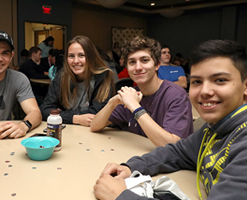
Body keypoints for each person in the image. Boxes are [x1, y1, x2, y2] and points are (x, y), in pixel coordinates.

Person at [94, 39, 247, 200]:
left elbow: (171, 142)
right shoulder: (214, 128)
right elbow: (179, 152)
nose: (205, 91)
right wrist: (131, 167)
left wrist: (121, 196)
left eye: (220, 80)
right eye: (196, 82)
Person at [90, 36, 193, 147]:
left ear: (157, 65)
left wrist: (135, 107)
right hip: (139, 157)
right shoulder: (132, 94)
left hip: (171, 162)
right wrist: (112, 102)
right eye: (132, 62)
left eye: (145, 60)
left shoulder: (176, 95)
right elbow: (94, 126)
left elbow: (171, 145)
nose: (138, 67)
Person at [40, 35, 114, 127]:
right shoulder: (62, 77)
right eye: (71, 56)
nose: (76, 61)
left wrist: (62, 114)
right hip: (68, 130)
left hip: (94, 132)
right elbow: (45, 110)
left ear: (91, 57)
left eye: (81, 55)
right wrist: (75, 118)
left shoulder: (103, 77)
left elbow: (97, 114)